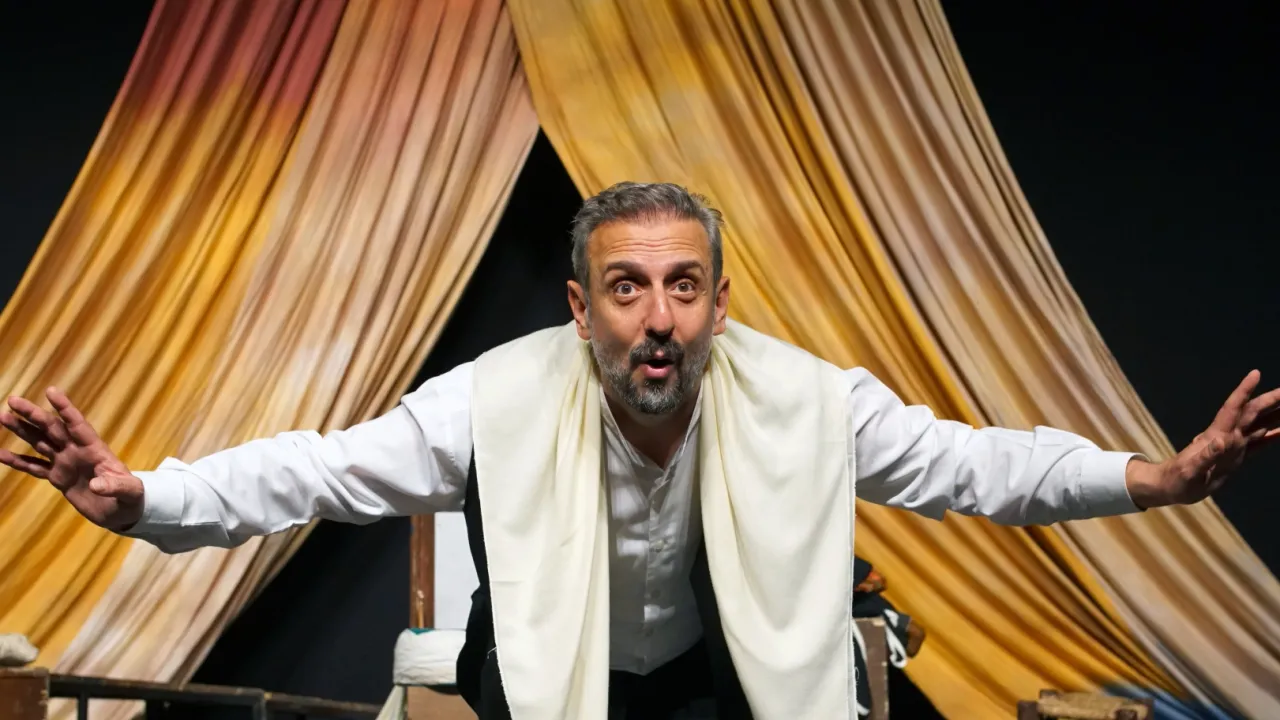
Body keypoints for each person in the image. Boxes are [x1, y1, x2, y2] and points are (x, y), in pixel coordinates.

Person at [1, 182, 1276, 720]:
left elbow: (974, 467)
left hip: (714, 680)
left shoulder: (808, 398)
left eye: (681, 286)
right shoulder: (490, 399)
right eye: (625, 287)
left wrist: (1152, 480)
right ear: (580, 307)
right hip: (543, 682)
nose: (656, 317)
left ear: (719, 303)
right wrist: (141, 496)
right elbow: (314, 470)